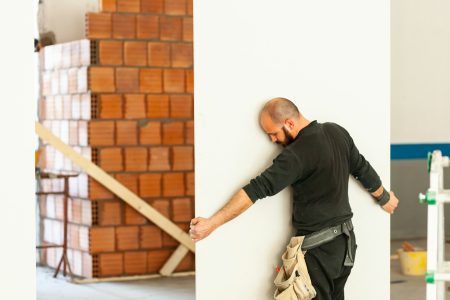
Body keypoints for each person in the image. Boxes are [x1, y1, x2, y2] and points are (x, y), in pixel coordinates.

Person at [189, 97, 399, 299]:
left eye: (273, 133)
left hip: (320, 252)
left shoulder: (296, 155)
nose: (271, 139)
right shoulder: (336, 132)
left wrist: (211, 224)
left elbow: (255, 190)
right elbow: (361, 167)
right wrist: (384, 198)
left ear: (289, 123)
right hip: (346, 246)